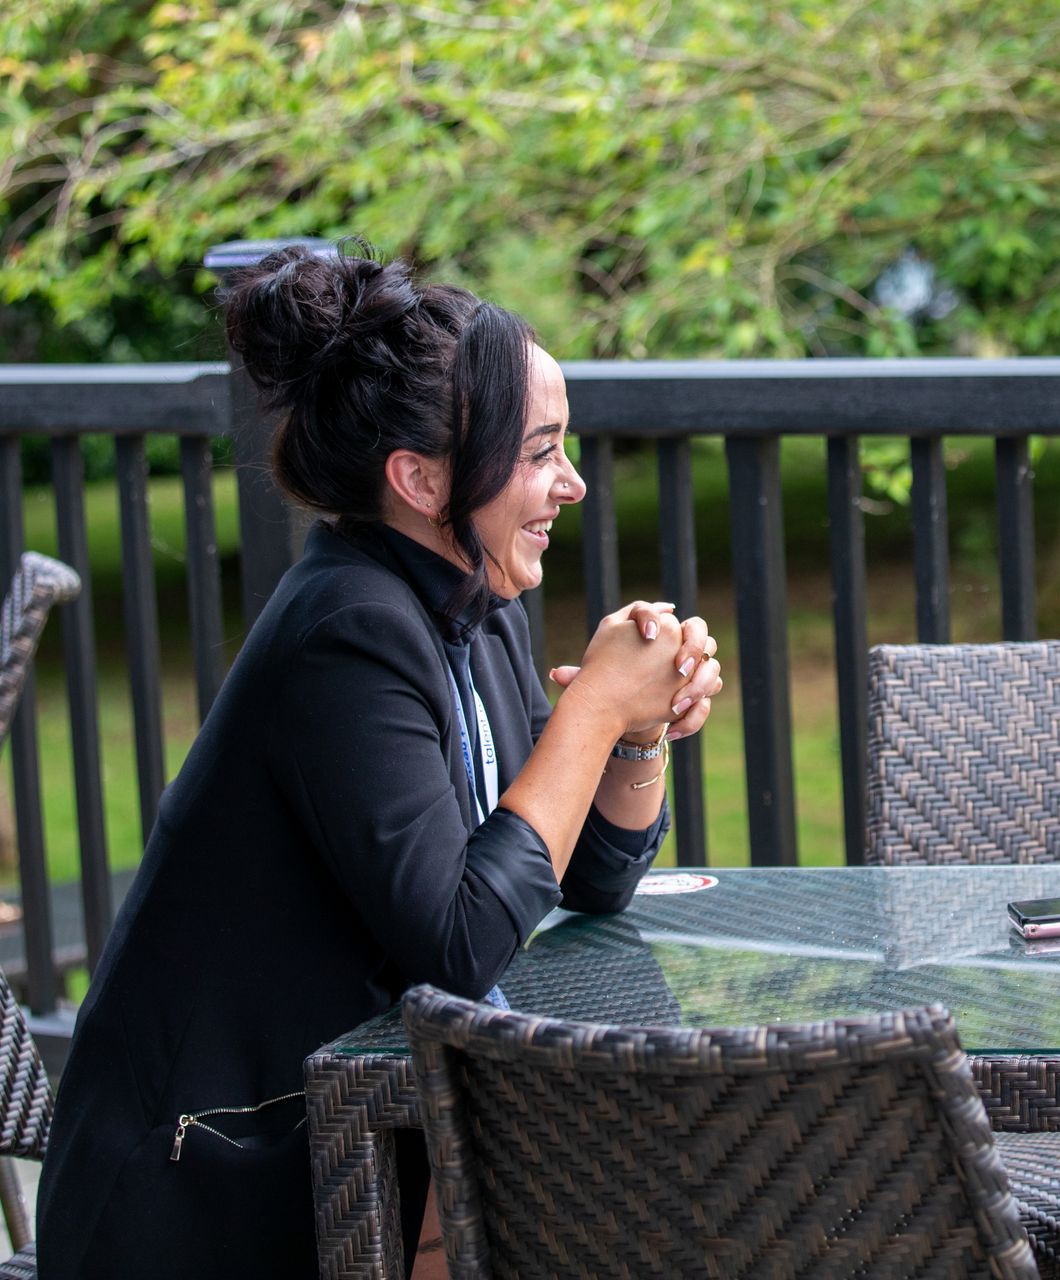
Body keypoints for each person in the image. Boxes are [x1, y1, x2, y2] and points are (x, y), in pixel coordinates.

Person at [37, 245, 724, 1279]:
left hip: (341, 1142)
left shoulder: (469, 597)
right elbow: (461, 938)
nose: (572, 484)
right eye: (541, 452)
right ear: (419, 478)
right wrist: (586, 712)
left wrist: (632, 735)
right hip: (201, 1192)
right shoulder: (348, 631)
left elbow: (585, 879)